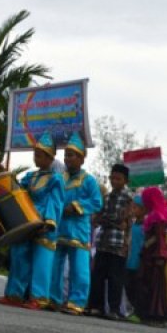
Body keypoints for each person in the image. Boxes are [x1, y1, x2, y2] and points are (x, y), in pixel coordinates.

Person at [0, 132, 65, 309]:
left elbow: (55, 202)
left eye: (40, 155)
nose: (36, 158)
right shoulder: (31, 177)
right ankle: (14, 294)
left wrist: (49, 222)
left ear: (50, 158)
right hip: (27, 220)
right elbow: (20, 192)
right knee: (19, 255)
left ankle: (39, 298)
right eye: (35, 154)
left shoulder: (55, 179)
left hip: (43, 223)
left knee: (42, 260)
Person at [49, 132, 103, 315]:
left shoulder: (89, 180)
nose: (67, 159)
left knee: (79, 268)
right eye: (66, 155)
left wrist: (77, 206)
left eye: (71, 155)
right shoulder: (60, 178)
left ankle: (76, 302)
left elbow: (97, 202)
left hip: (79, 230)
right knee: (55, 266)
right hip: (60, 228)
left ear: (81, 158)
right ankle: (53, 299)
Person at [87, 164, 132, 319]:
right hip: (103, 242)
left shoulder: (129, 198)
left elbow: (124, 220)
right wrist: (107, 220)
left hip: (119, 245)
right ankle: (96, 307)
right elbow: (98, 217)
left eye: (118, 178)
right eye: (112, 178)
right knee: (98, 275)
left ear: (125, 180)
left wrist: (108, 220)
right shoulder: (105, 197)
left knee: (115, 278)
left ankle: (114, 309)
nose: (114, 181)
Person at [134, 186, 167, 324]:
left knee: (154, 285)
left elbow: (158, 238)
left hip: (154, 255)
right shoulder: (158, 214)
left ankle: (156, 314)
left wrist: (146, 246)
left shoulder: (156, 216)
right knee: (152, 284)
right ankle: (152, 313)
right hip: (153, 254)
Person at [124, 195, 145, 320]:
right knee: (128, 285)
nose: (132, 210)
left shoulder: (145, 225)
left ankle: (138, 312)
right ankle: (130, 309)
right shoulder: (132, 224)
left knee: (137, 287)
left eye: (135, 207)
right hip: (128, 260)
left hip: (138, 261)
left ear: (143, 210)